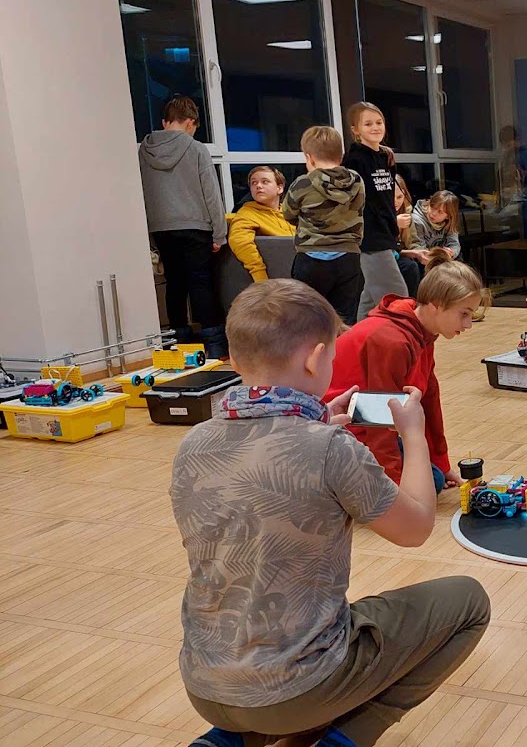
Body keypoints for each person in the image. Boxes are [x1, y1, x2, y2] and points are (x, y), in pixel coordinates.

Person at [172, 279, 489, 747]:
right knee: (469, 601)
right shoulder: (330, 448)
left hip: (202, 684)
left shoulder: (193, 443)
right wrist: (413, 435)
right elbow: (417, 527)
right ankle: (344, 739)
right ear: (316, 359)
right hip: (296, 689)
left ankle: (230, 738)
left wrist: (318, 424)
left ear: (235, 360)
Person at [324, 249, 484, 488]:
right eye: (464, 314)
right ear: (436, 305)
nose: (468, 324)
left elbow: (429, 399)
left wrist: (441, 462)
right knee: (426, 482)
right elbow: (376, 417)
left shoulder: (423, 331)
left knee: (433, 477)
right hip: (336, 429)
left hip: (363, 423)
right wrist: (396, 488)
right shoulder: (393, 341)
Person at [138, 95, 228, 357]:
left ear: (165, 122)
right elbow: (211, 193)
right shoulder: (196, 148)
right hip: (195, 226)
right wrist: (219, 233)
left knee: (175, 284)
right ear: (190, 122)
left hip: (160, 227)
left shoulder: (144, 151)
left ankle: (177, 344)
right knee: (200, 282)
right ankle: (214, 344)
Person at [284, 126, 366, 327]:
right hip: (349, 257)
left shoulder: (302, 183)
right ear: (341, 156)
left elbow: (288, 214)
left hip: (311, 258)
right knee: (345, 320)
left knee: (307, 320)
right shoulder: (356, 181)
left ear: (309, 157)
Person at [344, 101, 408, 321]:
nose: (375, 127)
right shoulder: (353, 160)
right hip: (369, 236)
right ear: (355, 130)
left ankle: (356, 337)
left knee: (371, 297)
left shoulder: (386, 157)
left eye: (379, 122)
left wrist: (393, 225)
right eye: (368, 124)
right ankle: (400, 337)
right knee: (396, 296)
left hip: (386, 232)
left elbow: (386, 198)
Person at [226, 166, 295, 283]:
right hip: (274, 279)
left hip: (299, 275)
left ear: (279, 188)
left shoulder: (291, 212)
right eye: (254, 183)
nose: (258, 186)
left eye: (265, 182)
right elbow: (240, 241)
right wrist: (260, 276)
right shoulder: (247, 213)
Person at [410, 188, 462, 259]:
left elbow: (454, 244)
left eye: (440, 212)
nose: (433, 213)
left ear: (448, 216)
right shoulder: (417, 220)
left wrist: (451, 252)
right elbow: (420, 250)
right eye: (432, 207)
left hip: (442, 258)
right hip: (425, 260)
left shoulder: (449, 223)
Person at [393, 176, 423, 297]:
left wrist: (420, 252)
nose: (396, 202)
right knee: (409, 267)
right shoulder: (377, 214)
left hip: (400, 254)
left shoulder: (406, 212)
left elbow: (413, 242)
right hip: (382, 256)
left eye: (400, 197)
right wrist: (394, 224)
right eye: (391, 197)